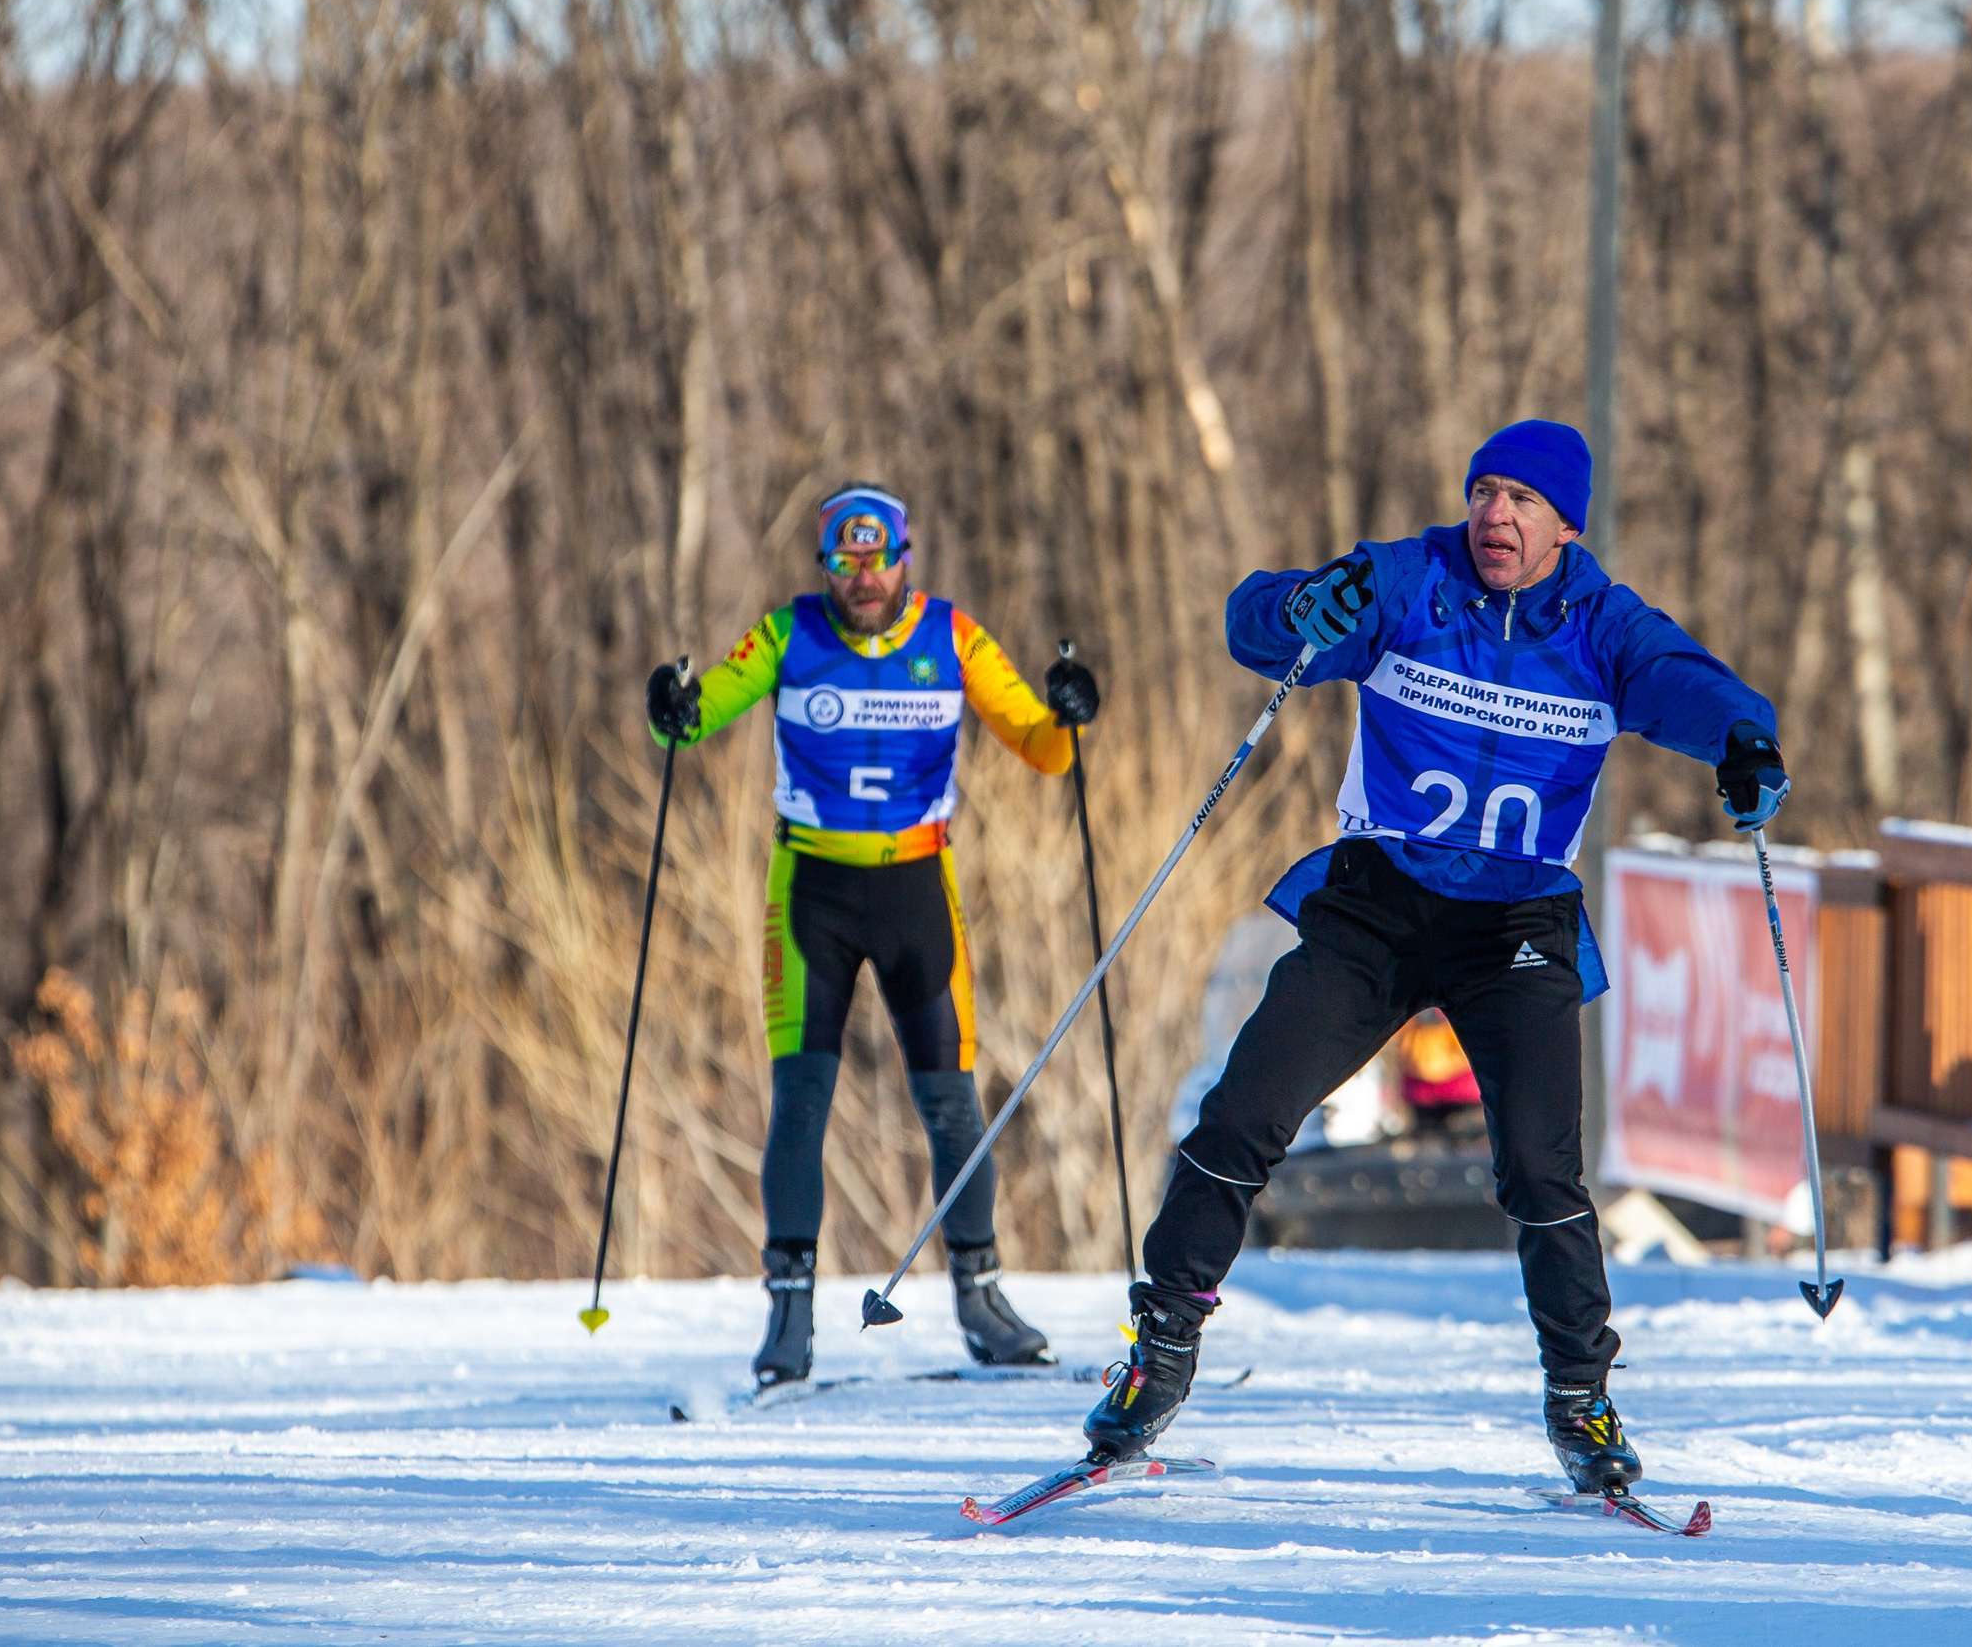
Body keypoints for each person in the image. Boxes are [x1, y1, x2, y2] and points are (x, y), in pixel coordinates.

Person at [1080, 420, 1787, 1495]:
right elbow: (1257, 621)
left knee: (1541, 1168)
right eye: (1483, 491)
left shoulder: (1602, 624)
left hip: (1514, 924)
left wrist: (1744, 741)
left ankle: (1581, 1398)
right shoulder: (1412, 581)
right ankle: (1160, 1350)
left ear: (1565, 525)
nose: (1494, 515)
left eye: (1521, 500)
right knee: (1240, 1113)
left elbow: (1687, 684)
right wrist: (1298, 608)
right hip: (1380, 903)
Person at [645, 483, 1101, 1386]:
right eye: (845, 562)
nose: (863, 578)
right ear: (826, 566)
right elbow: (697, 719)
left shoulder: (952, 635)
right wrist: (675, 705)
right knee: (801, 1101)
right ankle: (789, 1318)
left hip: (916, 888)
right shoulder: (790, 634)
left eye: (878, 559)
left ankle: (982, 1303)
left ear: (904, 558)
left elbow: (1044, 748)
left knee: (953, 1103)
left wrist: (1069, 710)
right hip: (810, 890)